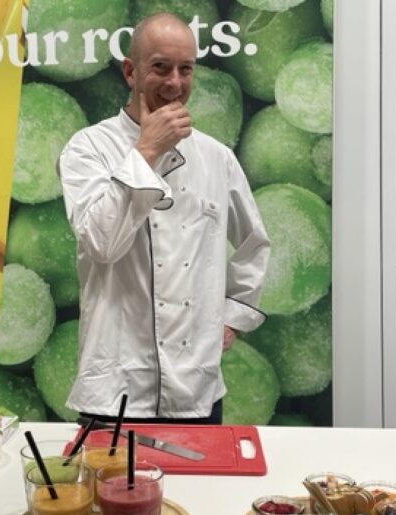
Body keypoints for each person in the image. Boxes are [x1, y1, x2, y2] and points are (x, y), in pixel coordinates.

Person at [58, 12, 271, 424]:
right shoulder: (88, 149)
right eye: (160, 67)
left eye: (185, 69)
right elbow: (102, 244)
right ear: (130, 72)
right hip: (115, 390)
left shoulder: (216, 157)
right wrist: (146, 152)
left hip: (196, 388)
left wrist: (233, 316)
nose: (175, 82)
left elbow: (254, 243)